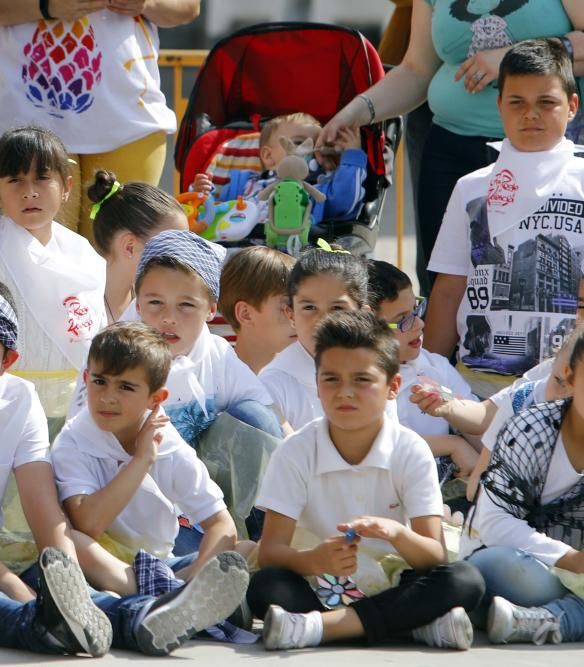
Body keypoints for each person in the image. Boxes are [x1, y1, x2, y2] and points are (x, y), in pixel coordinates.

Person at [0, 274, 246, 657]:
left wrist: (61, 580)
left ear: (8, 361)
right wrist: (21, 593)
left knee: (59, 573)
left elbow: (45, 514)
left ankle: (142, 617)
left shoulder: (20, 397)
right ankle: (43, 624)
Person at [248, 310, 486, 651]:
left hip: (396, 579)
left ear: (393, 387)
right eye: (331, 379)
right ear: (317, 384)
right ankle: (411, 628)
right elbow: (270, 551)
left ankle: (318, 628)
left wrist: (397, 534)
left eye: (362, 380)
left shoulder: (410, 449)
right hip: (323, 581)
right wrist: (314, 560)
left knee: (464, 580)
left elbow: (433, 555)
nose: (345, 392)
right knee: (267, 586)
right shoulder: (296, 450)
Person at [320, 0, 584, 295]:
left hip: (540, 156)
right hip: (449, 148)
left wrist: (511, 59)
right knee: (442, 280)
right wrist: (352, 114)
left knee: (537, 286)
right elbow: (416, 70)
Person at [425, 39, 583, 399]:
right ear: (500, 106)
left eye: (546, 102)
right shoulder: (470, 187)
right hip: (477, 386)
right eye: (517, 103)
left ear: (572, 106)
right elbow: (449, 290)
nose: (531, 114)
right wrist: (430, 368)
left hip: (571, 388)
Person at [0, 0, 200, 240]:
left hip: (128, 119)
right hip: (23, 112)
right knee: (35, 256)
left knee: (118, 255)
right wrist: (46, 6)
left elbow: (188, 8)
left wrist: (147, 3)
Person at [52, 322, 254, 587]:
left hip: (160, 563)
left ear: (156, 399)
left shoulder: (166, 441)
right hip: (101, 567)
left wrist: (194, 578)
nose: (107, 397)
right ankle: (155, 595)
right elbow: (88, 524)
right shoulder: (73, 440)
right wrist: (141, 460)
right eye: (100, 382)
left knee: (245, 550)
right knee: (70, 541)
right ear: (87, 379)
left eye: (125, 387)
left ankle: (176, 593)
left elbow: (220, 523)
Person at [0, 126, 105, 422]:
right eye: (15, 180)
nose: (30, 192)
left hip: (77, 408)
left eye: (42, 178)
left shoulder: (85, 254)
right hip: (2, 409)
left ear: (66, 187)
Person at [466, 325, 584, 646]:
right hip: (524, 566)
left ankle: (541, 620)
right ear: (569, 376)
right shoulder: (531, 428)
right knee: (508, 566)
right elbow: (492, 522)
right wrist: (571, 558)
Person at [126, 229, 283, 445]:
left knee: (255, 414)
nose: (169, 318)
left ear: (210, 310)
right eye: (155, 303)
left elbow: (266, 410)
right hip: (135, 470)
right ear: (138, 304)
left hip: (202, 473)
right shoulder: (116, 355)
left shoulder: (216, 353)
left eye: (186, 305)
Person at [366, 259, 479, 486]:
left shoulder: (435, 367)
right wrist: (452, 444)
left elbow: (478, 429)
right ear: (366, 324)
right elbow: (378, 443)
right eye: (403, 320)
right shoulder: (357, 380)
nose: (419, 324)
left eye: (416, 310)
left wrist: (450, 407)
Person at [259, 244, 395, 431]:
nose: (322, 320)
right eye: (309, 307)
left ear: (364, 315)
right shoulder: (274, 383)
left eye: (338, 308)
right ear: (290, 314)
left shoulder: (377, 370)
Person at [193, 112, 366, 227]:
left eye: (318, 145)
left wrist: (351, 154)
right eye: (299, 142)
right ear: (268, 156)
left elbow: (345, 200)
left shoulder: (320, 187)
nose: (312, 150)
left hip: (291, 257)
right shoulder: (244, 185)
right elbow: (213, 215)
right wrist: (202, 194)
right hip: (238, 253)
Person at [87, 169, 188, 323]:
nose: (182, 260)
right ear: (130, 247)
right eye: (171, 248)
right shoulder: (76, 301)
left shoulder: (156, 303)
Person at [217, 246, 296, 375]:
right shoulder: (211, 382)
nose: (298, 318)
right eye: (287, 306)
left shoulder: (311, 380)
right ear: (245, 314)